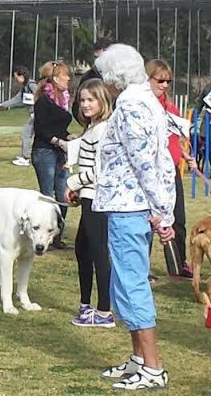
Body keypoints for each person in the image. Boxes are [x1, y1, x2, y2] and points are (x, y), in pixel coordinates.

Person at [93, 44, 175, 390]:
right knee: (125, 282)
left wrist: (162, 212)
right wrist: (163, 207)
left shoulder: (129, 106)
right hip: (132, 205)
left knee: (132, 284)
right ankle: (139, 359)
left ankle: (153, 368)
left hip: (131, 207)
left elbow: (146, 163)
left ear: (114, 77)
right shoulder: (149, 103)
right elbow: (164, 161)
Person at [64, 79, 115, 328]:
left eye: (90, 100)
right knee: (82, 249)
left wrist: (73, 183)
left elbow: (101, 169)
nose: (85, 104)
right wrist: (78, 190)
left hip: (99, 198)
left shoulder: (104, 129)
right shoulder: (92, 128)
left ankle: (104, 311)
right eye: (82, 100)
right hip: (88, 196)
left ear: (102, 101)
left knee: (98, 254)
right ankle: (85, 305)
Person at [146, 59, 195, 280]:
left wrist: (184, 154)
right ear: (148, 79)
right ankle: (143, 268)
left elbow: (173, 139)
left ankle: (177, 264)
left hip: (172, 170)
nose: (165, 85)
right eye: (160, 80)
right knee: (149, 221)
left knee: (178, 219)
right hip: (151, 172)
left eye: (168, 81)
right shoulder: (143, 106)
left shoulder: (171, 107)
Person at [32, 61, 73, 250]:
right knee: (47, 196)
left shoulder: (63, 99)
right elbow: (41, 129)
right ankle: (42, 235)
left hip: (60, 152)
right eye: (66, 76)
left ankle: (58, 234)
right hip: (45, 151)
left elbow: (59, 126)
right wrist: (58, 140)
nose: (69, 79)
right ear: (56, 79)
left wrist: (69, 137)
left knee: (63, 194)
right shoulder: (43, 101)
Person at [0, 65, 39, 167]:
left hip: (38, 115)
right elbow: (16, 99)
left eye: (17, 77)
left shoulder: (32, 85)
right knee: (31, 134)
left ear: (22, 75)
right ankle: (26, 156)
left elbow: (40, 97)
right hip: (35, 115)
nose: (17, 80)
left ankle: (25, 158)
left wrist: (36, 111)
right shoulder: (25, 87)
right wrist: (3, 105)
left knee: (26, 133)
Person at [71, 38, 112, 121]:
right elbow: (77, 106)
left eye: (101, 58)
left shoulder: (120, 78)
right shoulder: (88, 77)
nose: (98, 61)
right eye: (96, 57)